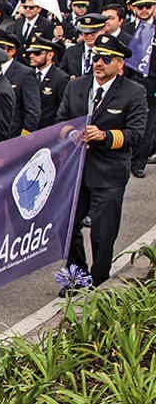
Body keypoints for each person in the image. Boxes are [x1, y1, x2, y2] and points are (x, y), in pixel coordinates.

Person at [57, 34, 148, 290]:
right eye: (96, 57)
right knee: (68, 226)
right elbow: (61, 120)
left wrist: (105, 136)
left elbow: (136, 134)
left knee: (102, 233)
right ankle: (76, 277)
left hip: (109, 173)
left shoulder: (133, 92)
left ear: (120, 64)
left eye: (106, 59)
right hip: (76, 171)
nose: (99, 63)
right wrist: (70, 133)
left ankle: (98, 281)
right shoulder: (76, 87)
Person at [26, 36, 69, 128]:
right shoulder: (27, 75)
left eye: (37, 53)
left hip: (48, 132)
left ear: (50, 55)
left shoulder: (61, 78)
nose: (31, 56)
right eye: (30, 53)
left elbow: (62, 110)